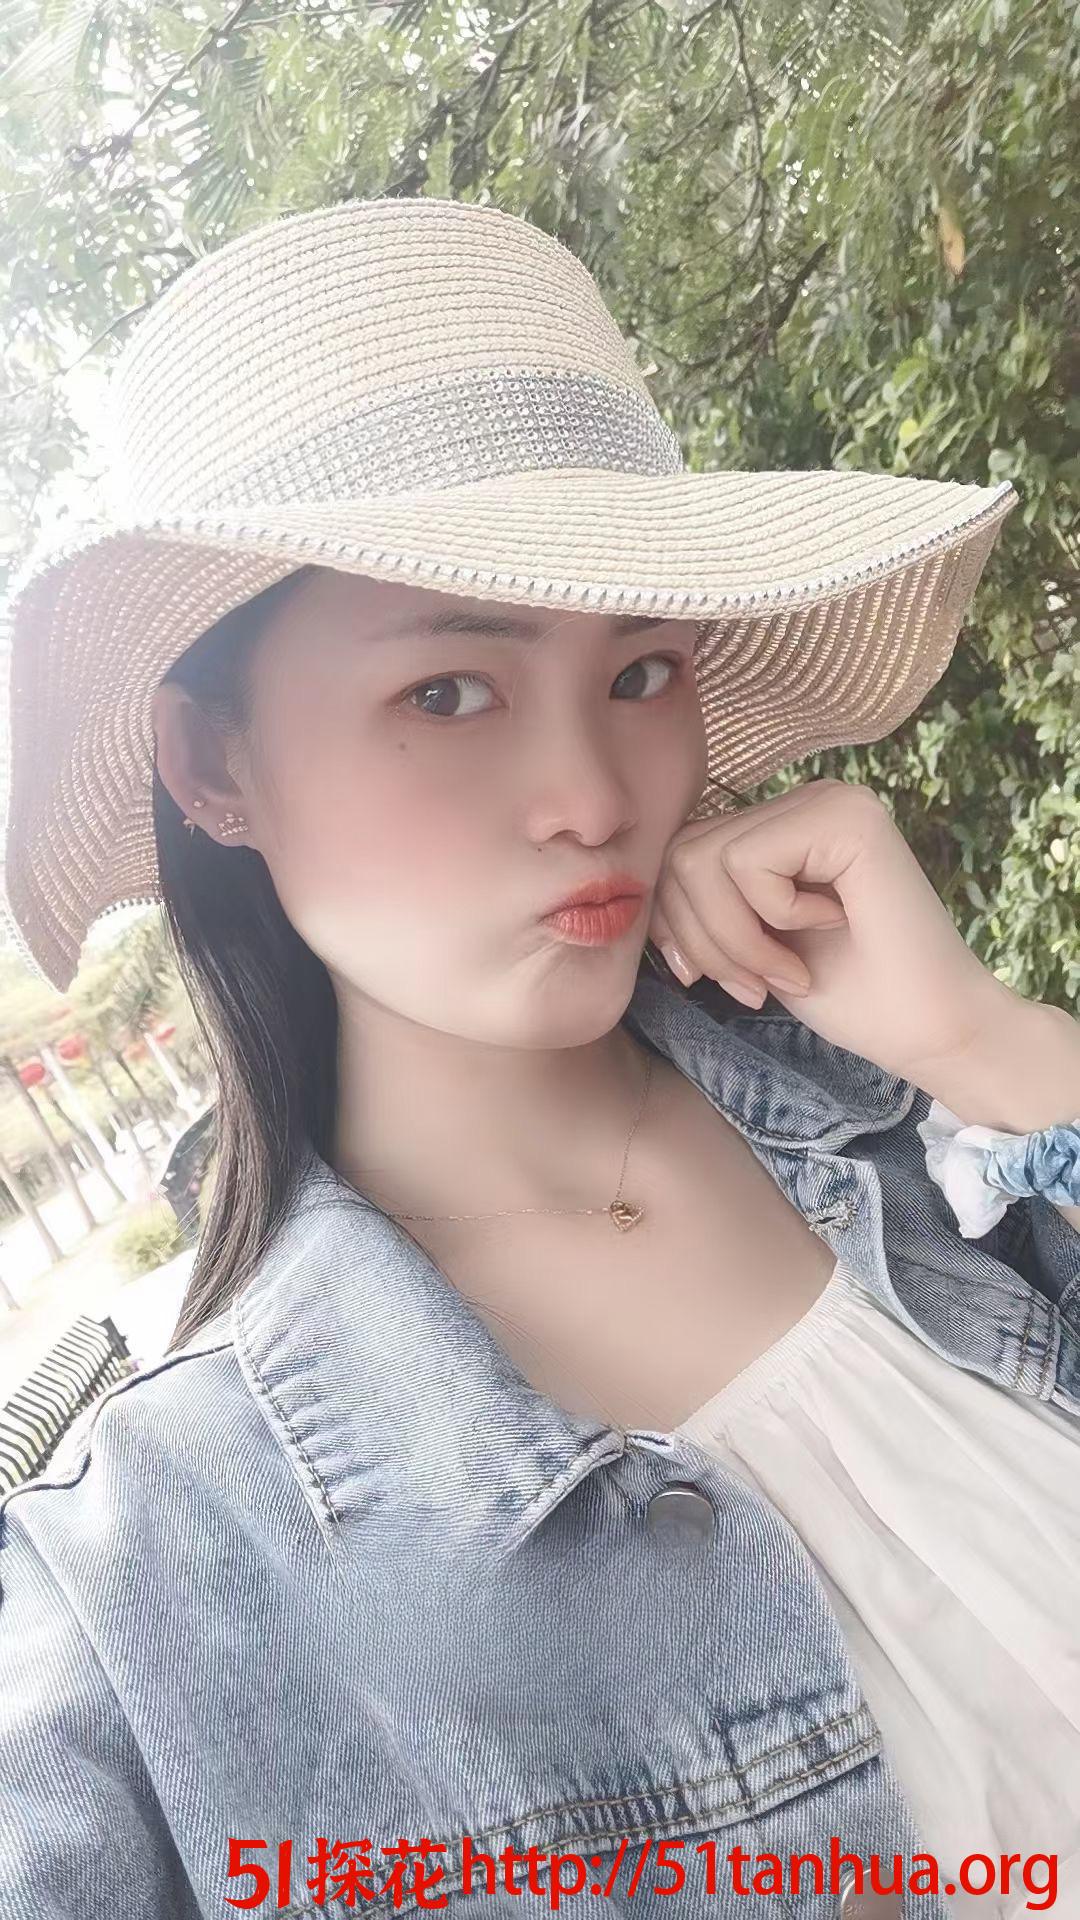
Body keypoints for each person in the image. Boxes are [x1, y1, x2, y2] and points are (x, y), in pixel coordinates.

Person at [0, 196, 1077, 1920]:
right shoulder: (174, 1568)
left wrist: (993, 1046)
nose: (596, 795)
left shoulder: (909, 1123)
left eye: (641, 669)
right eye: (449, 691)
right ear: (211, 764)